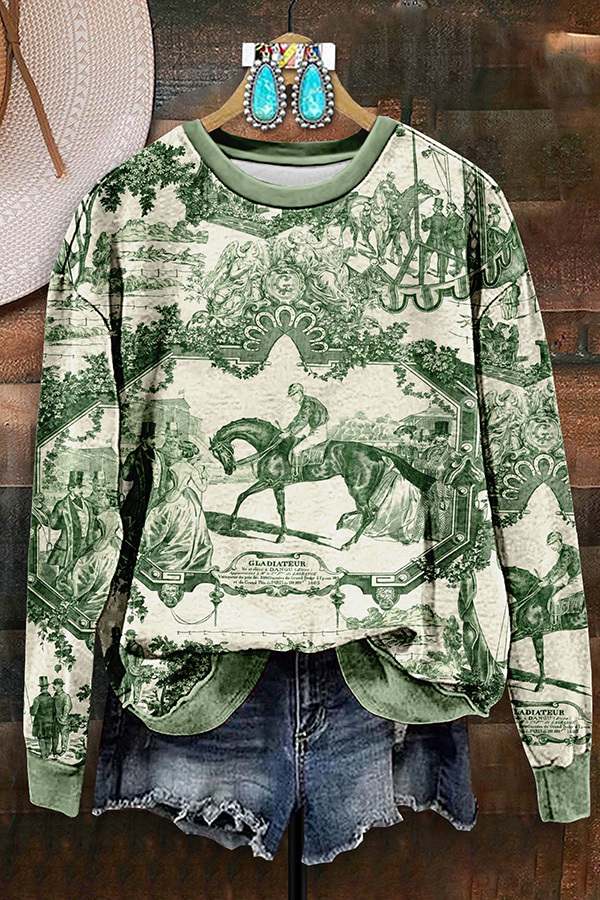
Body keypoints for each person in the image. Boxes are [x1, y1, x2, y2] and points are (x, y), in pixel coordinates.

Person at [120, 421, 172, 544]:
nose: (154, 441)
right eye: (151, 438)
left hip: (157, 494)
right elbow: (126, 475)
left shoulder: (159, 455)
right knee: (137, 524)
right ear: (143, 439)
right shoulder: (134, 456)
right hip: (139, 495)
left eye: (154, 438)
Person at [47, 470, 96, 569]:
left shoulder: (88, 505)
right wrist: (68, 524)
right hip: (68, 544)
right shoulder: (61, 505)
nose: (82, 490)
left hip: (85, 544)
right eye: (79, 487)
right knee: (65, 571)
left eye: (82, 487)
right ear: (71, 488)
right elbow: (53, 524)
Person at [280, 384, 329, 480]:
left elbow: (303, 421)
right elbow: (298, 418)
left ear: (299, 393)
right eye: (291, 395)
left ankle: (296, 475)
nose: (292, 398)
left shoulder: (308, 404)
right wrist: (287, 429)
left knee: (296, 450)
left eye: (293, 395)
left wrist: (290, 433)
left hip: (319, 432)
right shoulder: (306, 401)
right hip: (315, 430)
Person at [541, 532, 582, 628]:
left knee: (555, 598)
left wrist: (549, 581)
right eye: (550, 544)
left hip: (578, 580)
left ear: (559, 541)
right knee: (554, 587)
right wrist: (546, 578)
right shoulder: (565, 550)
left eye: (552, 543)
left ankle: (556, 624)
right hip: (574, 578)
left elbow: (561, 569)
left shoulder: (567, 552)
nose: (551, 547)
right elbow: (556, 567)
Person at [30, 675, 55, 759]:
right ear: (47, 687)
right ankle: (47, 755)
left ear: (40, 688)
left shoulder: (37, 699)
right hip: (50, 722)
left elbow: (33, 712)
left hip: (40, 723)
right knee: (48, 738)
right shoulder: (52, 699)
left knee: (41, 738)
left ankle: (43, 755)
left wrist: (31, 709)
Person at [51, 678, 72, 756]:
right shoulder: (55, 696)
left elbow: (68, 707)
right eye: (53, 684)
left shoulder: (65, 696)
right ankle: (54, 749)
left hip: (63, 720)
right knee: (55, 734)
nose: (53, 686)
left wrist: (64, 717)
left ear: (60, 686)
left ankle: (63, 750)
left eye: (55, 685)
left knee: (64, 735)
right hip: (55, 719)